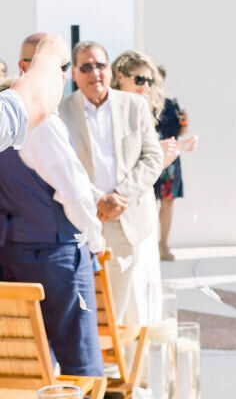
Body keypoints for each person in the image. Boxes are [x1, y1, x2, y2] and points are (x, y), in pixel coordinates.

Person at [0, 35, 107, 399]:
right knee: (80, 356)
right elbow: (74, 191)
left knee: (27, 356)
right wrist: (94, 241)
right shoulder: (38, 120)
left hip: (11, 254)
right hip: (56, 255)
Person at [59, 41, 162, 324]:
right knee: (83, 308)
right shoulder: (61, 111)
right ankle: (93, 367)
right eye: (86, 67)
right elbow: (63, 166)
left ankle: (119, 368)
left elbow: (153, 158)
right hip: (81, 221)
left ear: (110, 70)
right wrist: (97, 199)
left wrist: (118, 196)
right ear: (75, 74)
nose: (95, 73)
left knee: (123, 310)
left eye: (100, 65)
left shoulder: (135, 106)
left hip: (126, 221)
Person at [110, 50, 171, 323]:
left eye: (149, 81)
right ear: (120, 77)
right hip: (117, 203)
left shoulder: (145, 110)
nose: (144, 86)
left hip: (141, 203)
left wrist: (167, 153)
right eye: (139, 79)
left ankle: (142, 339)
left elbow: (149, 161)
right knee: (125, 283)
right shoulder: (109, 110)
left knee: (145, 275)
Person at [152, 66, 197, 261]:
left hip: (170, 160)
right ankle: (150, 246)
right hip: (149, 157)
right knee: (147, 202)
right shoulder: (142, 104)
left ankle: (163, 244)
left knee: (168, 203)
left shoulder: (171, 103)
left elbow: (180, 132)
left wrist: (184, 123)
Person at [0, 33, 69, 152]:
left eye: (64, 67)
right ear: (23, 66)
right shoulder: (33, 117)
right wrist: (50, 50)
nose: (59, 72)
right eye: (42, 65)